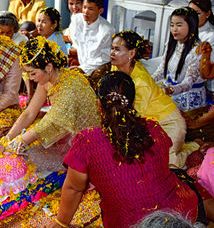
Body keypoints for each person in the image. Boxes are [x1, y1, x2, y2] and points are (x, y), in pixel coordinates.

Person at [46, 71, 199, 228]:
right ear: (133, 103)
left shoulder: (87, 140)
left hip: (128, 222)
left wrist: (60, 223)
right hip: (177, 216)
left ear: (99, 105)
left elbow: (73, 188)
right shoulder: (154, 128)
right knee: (185, 179)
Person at [0, 36, 100, 171]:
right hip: (64, 132)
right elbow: (29, 113)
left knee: (26, 157)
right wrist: (7, 139)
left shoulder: (69, 87)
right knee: (22, 152)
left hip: (85, 145)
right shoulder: (49, 79)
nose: (31, 79)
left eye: (32, 73)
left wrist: (13, 144)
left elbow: (49, 123)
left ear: (49, 67)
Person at [110, 31, 189, 168]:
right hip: (148, 122)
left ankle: (190, 151)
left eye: (117, 49)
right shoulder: (116, 66)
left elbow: (134, 117)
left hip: (169, 123)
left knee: (167, 166)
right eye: (112, 48)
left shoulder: (140, 82)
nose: (112, 53)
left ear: (132, 53)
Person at [152, 7, 206, 111]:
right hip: (170, 88)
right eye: (172, 25)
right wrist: (149, 80)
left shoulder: (197, 50)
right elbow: (162, 69)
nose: (174, 29)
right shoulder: (172, 43)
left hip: (187, 95)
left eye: (179, 25)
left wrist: (171, 90)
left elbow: (188, 82)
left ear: (191, 26)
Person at [69, 0, 115, 88]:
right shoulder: (77, 19)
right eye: (84, 7)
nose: (85, 12)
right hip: (82, 62)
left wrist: (82, 69)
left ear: (100, 11)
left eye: (90, 9)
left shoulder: (106, 30)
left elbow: (103, 58)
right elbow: (75, 42)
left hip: (98, 66)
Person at [189, 0, 214, 99]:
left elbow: (207, 71)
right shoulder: (185, 28)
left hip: (198, 83)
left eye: (198, 13)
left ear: (208, 14)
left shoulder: (212, 36)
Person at [63, 0, 85, 66]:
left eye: (78, 3)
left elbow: (85, 50)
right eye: (71, 4)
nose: (74, 7)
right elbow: (71, 38)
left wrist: (68, 51)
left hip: (82, 57)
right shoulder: (75, 16)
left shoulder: (84, 19)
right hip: (72, 48)